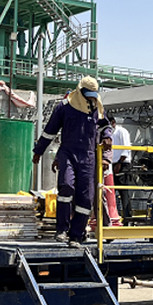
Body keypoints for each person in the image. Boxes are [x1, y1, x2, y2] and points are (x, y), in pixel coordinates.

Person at [33, 77, 111, 248]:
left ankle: (76, 235)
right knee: (66, 187)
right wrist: (39, 151)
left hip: (88, 157)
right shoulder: (64, 107)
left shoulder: (96, 108)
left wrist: (107, 136)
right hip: (67, 153)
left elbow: (105, 125)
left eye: (93, 95)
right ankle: (61, 229)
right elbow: (49, 131)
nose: (91, 98)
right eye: (88, 94)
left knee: (86, 198)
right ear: (80, 91)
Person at [109, 114, 132, 220]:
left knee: (123, 192)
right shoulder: (110, 134)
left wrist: (119, 163)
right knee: (112, 191)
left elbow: (126, 148)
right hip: (112, 164)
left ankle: (127, 217)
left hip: (122, 164)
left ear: (113, 122)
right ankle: (115, 215)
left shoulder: (121, 131)